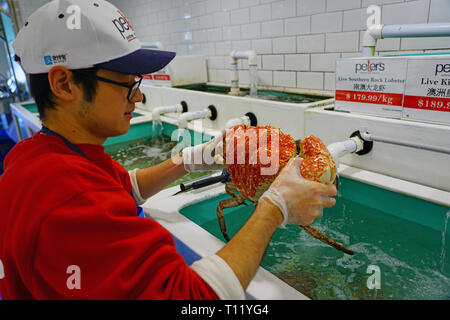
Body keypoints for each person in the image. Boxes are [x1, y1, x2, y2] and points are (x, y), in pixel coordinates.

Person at [0, 0, 337, 300]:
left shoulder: (42, 154)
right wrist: (273, 209)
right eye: (128, 83)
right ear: (64, 83)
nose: (139, 97)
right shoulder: (68, 197)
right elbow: (192, 297)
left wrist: (190, 160)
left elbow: (125, 188)